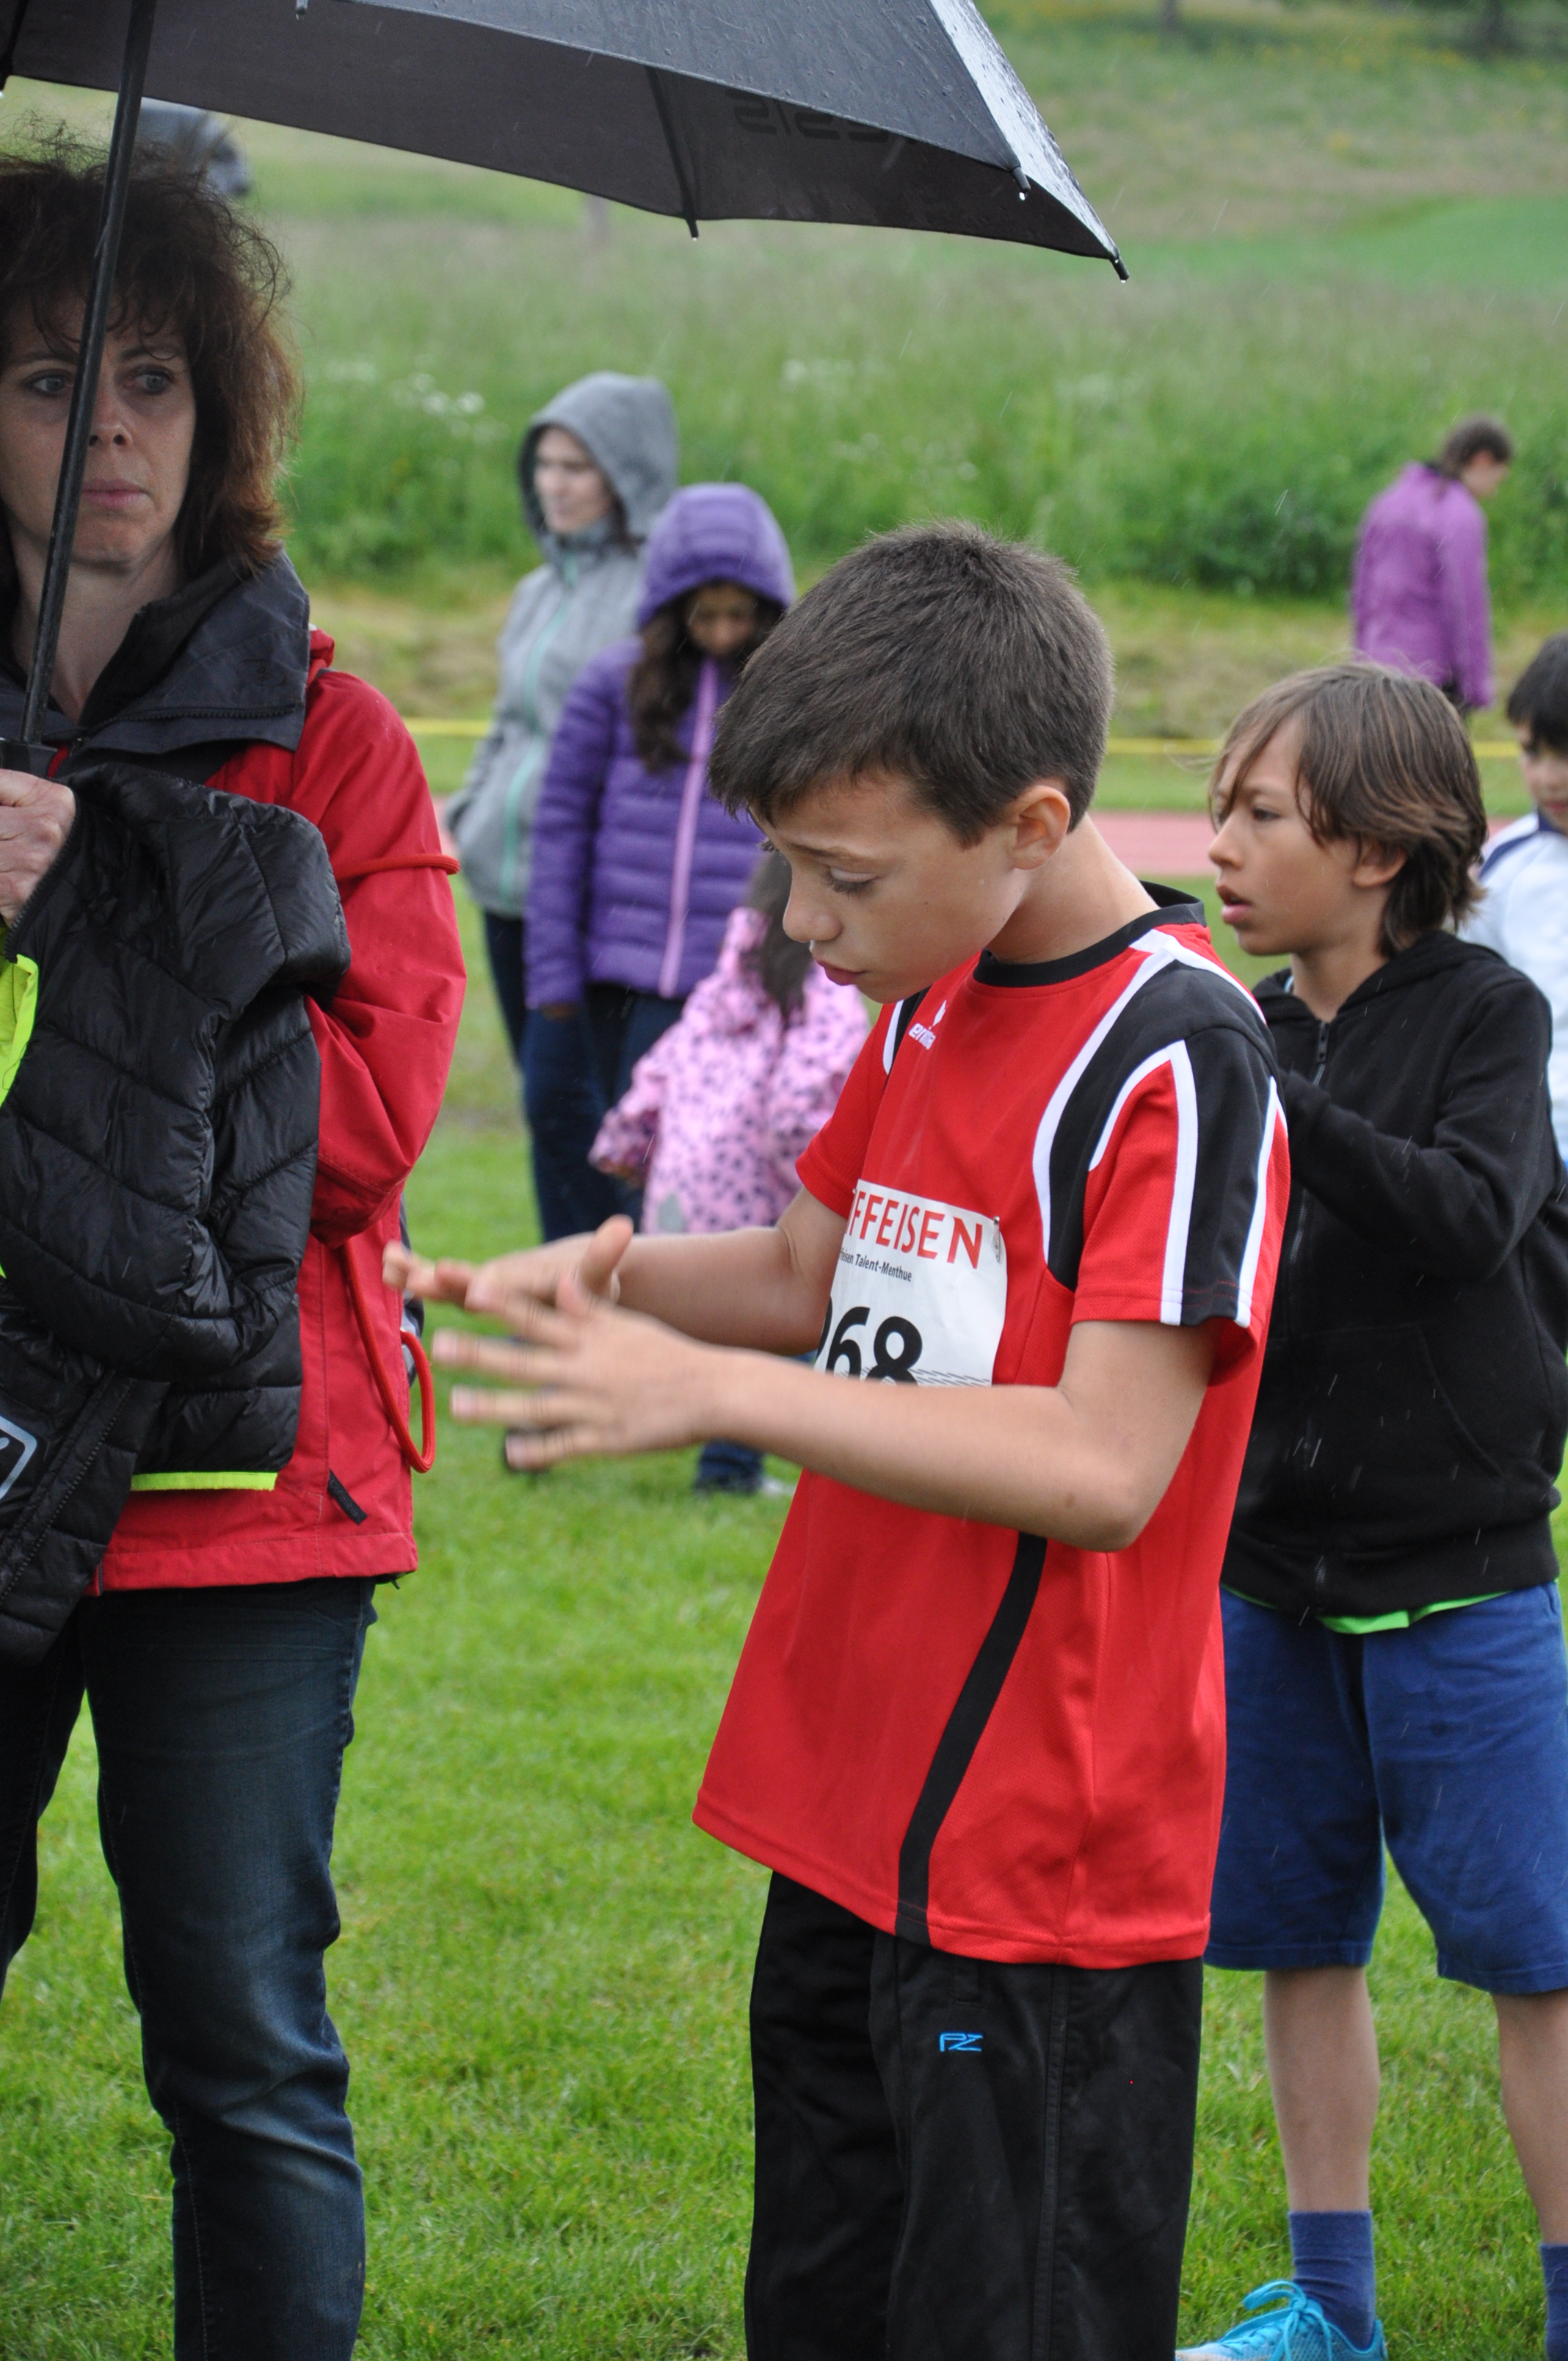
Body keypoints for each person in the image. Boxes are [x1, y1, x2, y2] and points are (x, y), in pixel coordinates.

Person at [393, 523, 1291, 2361]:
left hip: (1032, 1870)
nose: (803, 922)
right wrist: (603, 1274)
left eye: (842, 876)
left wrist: (724, 1400)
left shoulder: (1178, 1055)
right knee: (819, 2299)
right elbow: (813, 1273)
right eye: (789, 867)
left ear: (1031, 824)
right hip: (851, 1806)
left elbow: (1103, 1467)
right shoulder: (925, 986)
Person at [0, 145, 464, 2359]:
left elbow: (363, 1136)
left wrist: (98, 906)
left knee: (240, 2036)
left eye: (155, 375)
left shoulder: (335, 737)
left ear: (225, 409)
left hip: (238, 1494)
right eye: (43, 377)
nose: (108, 425)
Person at [1185, 664, 1568, 2361]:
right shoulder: (1246, 1027)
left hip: (1464, 1583)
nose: (1222, 846)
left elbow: (1469, 1213)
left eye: (1261, 814)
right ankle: (1331, 2309)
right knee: (1294, 1942)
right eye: (1220, 810)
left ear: (1381, 847)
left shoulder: (1487, 1016)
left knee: (1535, 1962)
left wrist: (1276, 1096)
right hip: (1268, 1573)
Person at [524, 479, 794, 1229]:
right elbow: (561, 832)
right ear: (671, 608)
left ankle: (660, 1291)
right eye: (705, 613)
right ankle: (591, 1286)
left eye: (739, 614)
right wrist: (553, 971)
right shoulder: (610, 686)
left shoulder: (787, 700)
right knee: (601, 1146)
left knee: (687, 1166)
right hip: (615, 977)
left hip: (722, 982)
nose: (722, 631)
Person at [444, 370, 677, 1238]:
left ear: (628, 474)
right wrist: (472, 814)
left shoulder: (661, 598)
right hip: (505, 889)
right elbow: (512, 721)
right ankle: (567, 1284)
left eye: (578, 467)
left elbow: (660, 752)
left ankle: (614, 1281)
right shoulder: (536, 592)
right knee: (549, 1106)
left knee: (573, 1102)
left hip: (589, 896)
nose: (555, 485)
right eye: (545, 465)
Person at [589, 849, 868, 1495]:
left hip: (682, 1189)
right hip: (759, 1199)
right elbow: (799, 1106)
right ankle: (729, 1471)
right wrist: (825, 1182)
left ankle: (563, 1406)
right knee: (777, 1330)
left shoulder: (725, 981)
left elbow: (663, 1066)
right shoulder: (824, 991)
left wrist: (627, 1141)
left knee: (684, 1327)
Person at [1464, 631, 1568, 1157]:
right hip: (1541, 1150)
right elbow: (1470, 1009)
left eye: (1567, 753)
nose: (1549, 778)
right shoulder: (1501, 870)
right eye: (1533, 752)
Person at [1351, 413, 1512, 715]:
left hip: (1376, 673)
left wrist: (1359, 659)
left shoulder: (1387, 502)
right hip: (1432, 681)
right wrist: (1475, 687)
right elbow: (1465, 604)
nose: (1496, 489)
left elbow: (1362, 591)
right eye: (1498, 477)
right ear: (1483, 460)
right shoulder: (1460, 513)